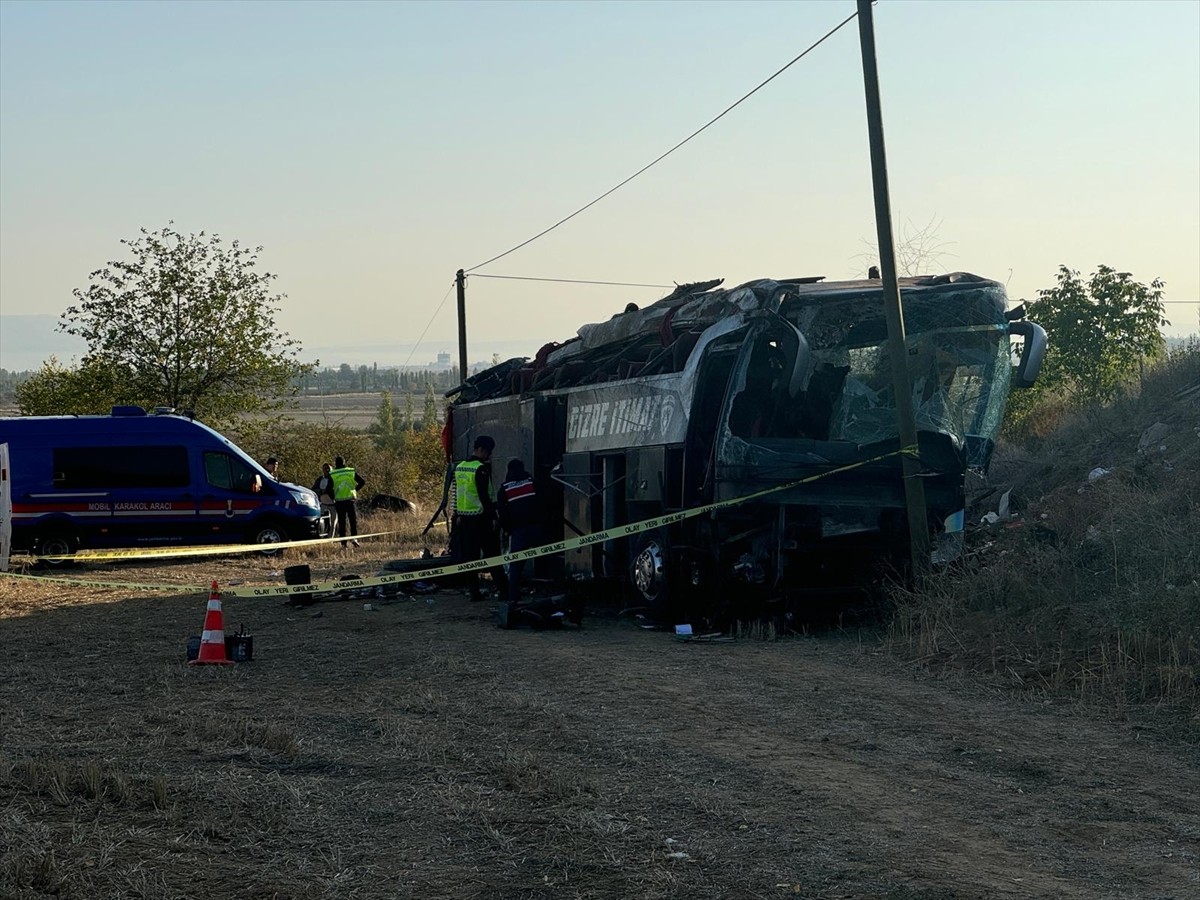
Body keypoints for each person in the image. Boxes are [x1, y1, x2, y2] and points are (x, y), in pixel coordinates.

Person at [453, 435, 508, 602]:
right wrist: (494, 517)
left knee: (471, 558)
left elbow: (457, 494)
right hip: (481, 518)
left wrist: (456, 515)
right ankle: (505, 591)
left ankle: (474, 592)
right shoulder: (480, 469)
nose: (489, 456)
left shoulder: (460, 467)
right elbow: (484, 497)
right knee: (493, 555)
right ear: (482, 450)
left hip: (464, 519)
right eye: (489, 452)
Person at [497, 458, 542, 608]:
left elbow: (502, 514)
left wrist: (507, 530)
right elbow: (544, 502)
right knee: (547, 557)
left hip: (518, 531)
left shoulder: (504, 489)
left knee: (515, 566)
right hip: (536, 527)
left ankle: (513, 597)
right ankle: (552, 593)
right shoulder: (531, 483)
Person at [330, 456, 365, 546]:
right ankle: (354, 539)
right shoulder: (350, 471)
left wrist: (332, 497)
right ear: (344, 462)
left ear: (335, 463)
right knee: (353, 521)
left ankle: (343, 543)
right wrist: (354, 490)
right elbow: (362, 482)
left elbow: (328, 488)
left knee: (342, 522)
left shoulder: (333, 473)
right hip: (350, 500)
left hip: (339, 501)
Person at [311, 462, 338, 536]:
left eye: (328, 469)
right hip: (323, 505)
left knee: (333, 524)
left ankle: (330, 540)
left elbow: (336, 490)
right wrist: (320, 491)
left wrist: (327, 491)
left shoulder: (335, 479)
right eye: (325, 468)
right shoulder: (320, 479)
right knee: (321, 522)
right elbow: (313, 490)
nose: (327, 470)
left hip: (333, 505)